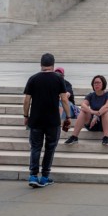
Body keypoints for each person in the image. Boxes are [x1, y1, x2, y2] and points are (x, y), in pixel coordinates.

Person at [23, 53, 71, 188]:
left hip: (36, 119)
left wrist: (26, 116)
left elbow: (27, 100)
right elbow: (64, 99)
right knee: (50, 148)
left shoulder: (33, 78)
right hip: (53, 120)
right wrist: (68, 116)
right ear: (53, 65)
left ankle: (33, 175)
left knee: (35, 147)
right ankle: (44, 177)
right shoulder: (58, 79)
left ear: (41, 64)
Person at [64, 75, 108, 146]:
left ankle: (106, 137)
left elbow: (107, 106)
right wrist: (92, 112)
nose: (96, 84)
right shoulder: (90, 95)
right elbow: (83, 105)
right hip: (93, 124)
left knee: (106, 112)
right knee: (83, 111)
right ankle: (74, 137)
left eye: (98, 83)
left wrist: (96, 116)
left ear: (103, 84)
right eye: (95, 83)